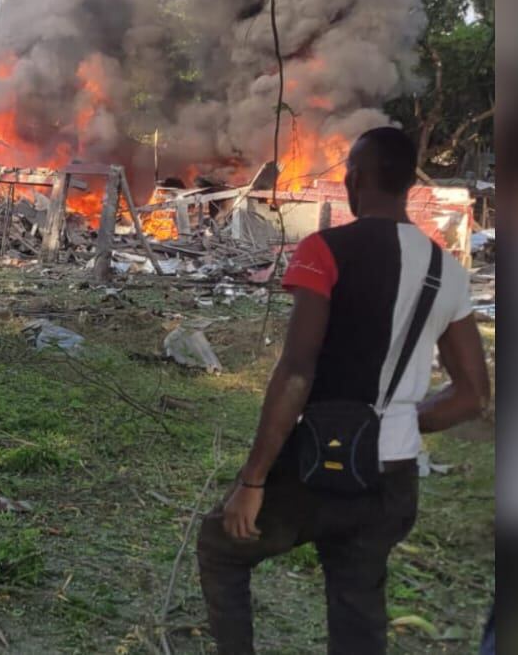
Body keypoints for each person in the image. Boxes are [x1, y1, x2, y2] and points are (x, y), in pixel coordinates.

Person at [195, 127, 491, 655]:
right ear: (407, 185)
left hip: (320, 469)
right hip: (394, 484)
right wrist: (398, 421)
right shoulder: (447, 272)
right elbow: (472, 395)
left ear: (355, 179)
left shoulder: (324, 249)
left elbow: (296, 372)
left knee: (222, 544)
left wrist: (253, 479)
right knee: (357, 609)